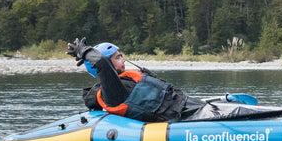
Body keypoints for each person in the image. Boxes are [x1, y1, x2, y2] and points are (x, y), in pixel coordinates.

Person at [66, 38, 209, 123]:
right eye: (117, 57)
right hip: (182, 116)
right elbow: (103, 63)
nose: (123, 60)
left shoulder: (127, 79)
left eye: (121, 56)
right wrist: (84, 51)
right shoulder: (111, 93)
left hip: (187, 106)